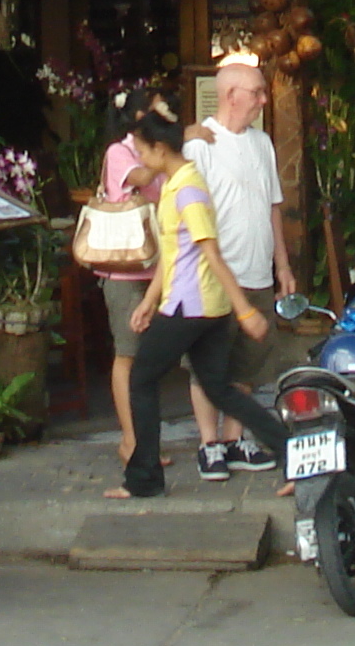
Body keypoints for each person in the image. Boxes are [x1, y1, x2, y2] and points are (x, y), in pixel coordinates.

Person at [107, 112, 285, 501]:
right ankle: (294, 454)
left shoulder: (188, 189)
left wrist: (247, 310)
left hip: (193, 308)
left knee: (141, 380)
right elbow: (173, 255)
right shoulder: (175, 184)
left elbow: (212, 255)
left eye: (141, 150)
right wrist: (150, 302)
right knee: (220, 390)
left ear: (160, 148)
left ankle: (144, 479)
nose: (138, 158)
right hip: (197, 306)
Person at [187, 55, 299, 476]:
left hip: (256, 273)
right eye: (257, 92)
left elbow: (274, 208)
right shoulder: (199, 145)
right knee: (207, 364)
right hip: (216, 276)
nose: (263, 100)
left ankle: (234, 439)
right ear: (231, 95)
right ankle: (208, 443)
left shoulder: (262, 143)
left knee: (248, 363)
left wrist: (282, 266)